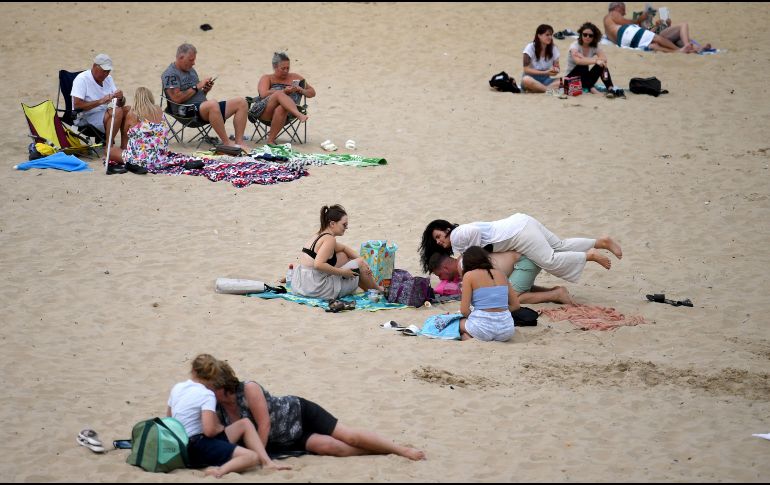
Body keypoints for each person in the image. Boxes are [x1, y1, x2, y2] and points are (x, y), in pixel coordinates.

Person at [211, 357, 426, 460]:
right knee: (333, 448)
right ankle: (381, 449)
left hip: (299, 414)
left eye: (210, 387)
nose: (207, 392)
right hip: (285, 439)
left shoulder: (248, 389)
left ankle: (400, 449)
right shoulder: (214, 406)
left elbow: (264, 424)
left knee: (349, 437)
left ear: (222, 384)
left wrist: (259, 456)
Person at [166, 354, 290, 478]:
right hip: (196, 447)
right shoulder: (206, 394)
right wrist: (220, 428)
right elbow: (209, 431)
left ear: (192, 370)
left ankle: (267, 462)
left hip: (179, 446)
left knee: (245, 423)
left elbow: (170, 421)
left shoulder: (177, 388)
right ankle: (219, 471)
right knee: (252, 457)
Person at [420, 213, 623, 284]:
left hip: (518, 235)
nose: (439, 241)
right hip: (521, 222)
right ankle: (601, 241)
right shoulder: (458, 237)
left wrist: (469, 255)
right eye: (435, 241)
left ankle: (589, 256)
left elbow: (474, 233)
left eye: (438, 236)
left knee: (550, 260)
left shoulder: (458, 234)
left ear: (446, 229)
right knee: (558, 245)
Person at [162, 43, 249, 148]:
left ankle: (239, 141)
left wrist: (205, 91)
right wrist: (198, 86)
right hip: (185, 112)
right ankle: (227, 142)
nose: (193, 63)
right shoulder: (170, 74)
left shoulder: (191, 70)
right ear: (181, 57)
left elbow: (195, 93)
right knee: (212, 104)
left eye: (194, 60)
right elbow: (176, 98)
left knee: (241, 102)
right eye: (191, 60)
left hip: (202, 109)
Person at [291, 204, 383, 299]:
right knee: (359, 265)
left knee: (343, 256)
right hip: (317, 289)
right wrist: (344, 272)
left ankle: (369, 286)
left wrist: (363, 260)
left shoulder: (319, 235)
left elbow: (344, 248)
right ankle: (377, 289)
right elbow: (318, 264)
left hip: (302, 286)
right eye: (344, 224)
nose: (346, 227)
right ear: (332, 224)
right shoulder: (329, 239)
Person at [428, 251, 575, 305]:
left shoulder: (464, 266)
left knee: (512, 298)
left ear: (445, 268)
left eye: (440, 275)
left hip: (524, 263)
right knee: (514, 287)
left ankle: (556, 294)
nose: (442, 279)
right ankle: (553, 291)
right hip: (525, 259)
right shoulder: (464, 256)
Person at [71, 53, 131, 174]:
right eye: (104, 71)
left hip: (104, 112)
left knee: (128, 109)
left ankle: (124, 147)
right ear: (94, 66)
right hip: (85, 116)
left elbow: (120, 103)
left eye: (108, 71)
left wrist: (120, 98)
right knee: (118, 111)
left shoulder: (108, 79)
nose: (106, 74)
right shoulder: (82, 79)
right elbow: (77, 105)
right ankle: (109, 148)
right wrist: (100, 101)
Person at [249, 52, 313, 144]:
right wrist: (284, 91)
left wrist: (301, 90)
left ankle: (270, 141)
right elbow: (263, 94)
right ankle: (299, 115)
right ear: (275, 67)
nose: (286, 71)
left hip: (287, 113)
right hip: (265, 111)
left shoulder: (296, 77)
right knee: (279, 93)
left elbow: (312, 93)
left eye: (288, 68)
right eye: (283, 68)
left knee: (282, 108)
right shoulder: (267, 78)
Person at [457, 247, 518, 341]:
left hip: (482, 328)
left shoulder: (469, 275)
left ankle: (467, 338)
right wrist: (498, 311)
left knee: (457, 323)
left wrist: (478, 315)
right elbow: (516, 305)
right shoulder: (501, 274)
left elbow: (464, 310)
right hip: (506, 330)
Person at [107, 87, 169, 174]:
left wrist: (124, 149)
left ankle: (131, 163)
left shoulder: (133, 113)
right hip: (160, 160)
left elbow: (125, 133)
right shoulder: (159, 110)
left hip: (141, 160)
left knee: (110, 151)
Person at [603, 2, 696, 53]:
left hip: (623, 41)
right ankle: (679, 50)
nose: (624, 13)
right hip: (626, 34)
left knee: (654, 44)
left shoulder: (608, 28)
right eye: (623, 10)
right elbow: (630, 22)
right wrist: (641, 18)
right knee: (655, 37)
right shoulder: (612, 14)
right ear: (617, 7)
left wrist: (656, 26)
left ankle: (682, 50)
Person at [566, 22, 620, 98]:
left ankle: (610, 88)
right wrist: (595, 60)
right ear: (581, 34)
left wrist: (590, 59)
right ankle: (592, 89)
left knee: (601, 65)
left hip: (585, 79)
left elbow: (604, 59)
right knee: (582, 66)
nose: (587, 37)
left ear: (594, 37)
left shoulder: (594, 46)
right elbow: (578, 61)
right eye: (585, 34)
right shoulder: (575, 45)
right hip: (571, 78)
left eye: (590, 35)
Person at [521, 24, 561, 93]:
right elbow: (526, 69)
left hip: (546, 80)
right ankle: (548, 90)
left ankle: (541, 89)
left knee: (566, 80)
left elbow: (557, 67)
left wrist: (555, 70)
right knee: (526, 80)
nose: (550, 37)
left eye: (551, 35)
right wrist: (545, 72)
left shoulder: (554, 48)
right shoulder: (530, 48)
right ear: (539, 35)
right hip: (531, 79)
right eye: (547, 35)